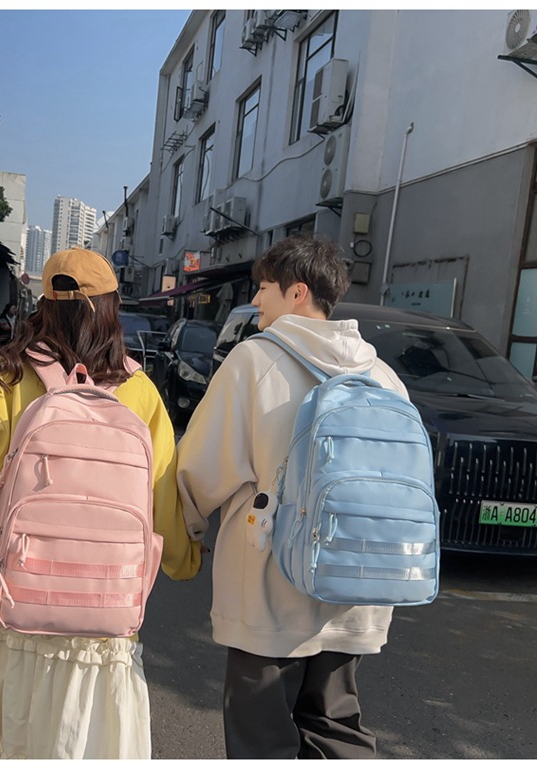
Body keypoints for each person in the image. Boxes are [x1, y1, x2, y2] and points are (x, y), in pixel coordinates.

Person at [0, 247, 201, 760]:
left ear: (45, 307)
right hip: (104, 615)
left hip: (21, 600)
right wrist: (184, 562)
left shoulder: (11, 375)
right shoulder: (140, 391)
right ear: (112, 309)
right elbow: (161, 495)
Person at [175, 234, 409, 760]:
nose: (255, 299)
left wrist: (186, 534)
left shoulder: (254, 361)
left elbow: (201, 467)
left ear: (297, 292)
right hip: (356, 584)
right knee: (336, 727)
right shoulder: (384, 376)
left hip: (271, 586)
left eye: (264, 288)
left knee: (261, 737)